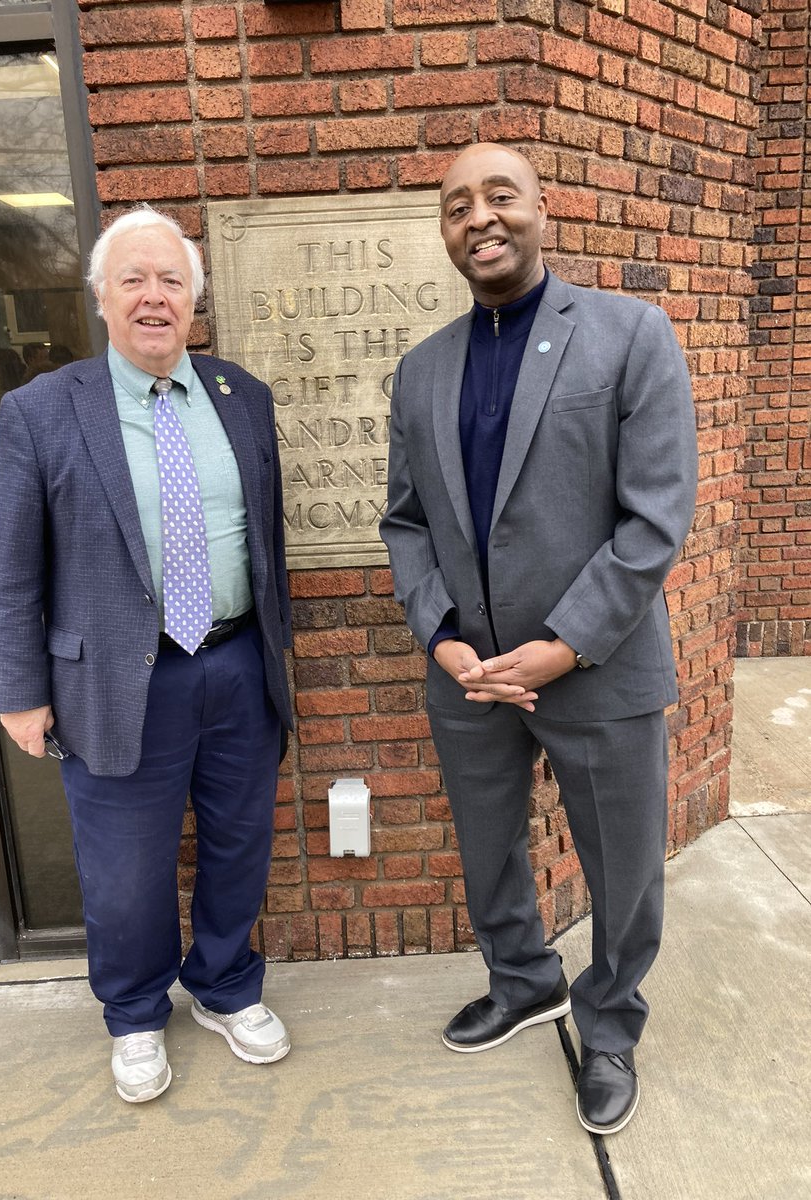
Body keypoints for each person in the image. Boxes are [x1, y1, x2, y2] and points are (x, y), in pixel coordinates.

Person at [380, 143, 697, 1135]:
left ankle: (609, 1025)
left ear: (540, 208)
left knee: (625, 867)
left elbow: (653, 521)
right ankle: (524, 983)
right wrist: (440, 638)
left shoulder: (631, 337)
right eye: (456, 205)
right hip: (472, 676)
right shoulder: (422, 369)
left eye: (499, 195)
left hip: (597, 666)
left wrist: (563, 644)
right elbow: (406, 522)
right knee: (488, 856)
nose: (480, 218)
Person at [0, 206, 294, 1103]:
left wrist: (277, 660)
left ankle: (226, 986)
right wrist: (20, 693)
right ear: (102, 300)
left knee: (240, 846)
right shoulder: (41, 412)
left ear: (195, 298)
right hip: (115, 681)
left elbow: (264, 545)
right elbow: (9, 573)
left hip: (235, 666)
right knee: (124, 871)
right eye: (135, 281)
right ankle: (133, 1012)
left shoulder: (244, 397)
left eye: (171, 282)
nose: (155, 298)